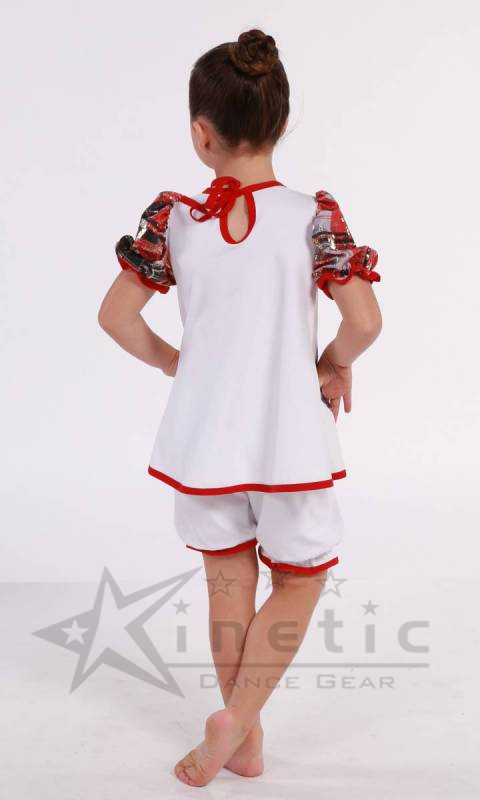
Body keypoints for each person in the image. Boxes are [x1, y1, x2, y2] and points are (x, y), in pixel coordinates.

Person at [98, 28, 382, 787]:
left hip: (204, 444)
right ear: (281, 122)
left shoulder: (175, 221)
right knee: (301, 577)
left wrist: (178, 363)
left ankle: (244, 738)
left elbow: (116, 317)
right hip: (290, 444)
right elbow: (364, 321)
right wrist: (332, 365)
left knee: (227, 581)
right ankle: (239, 723)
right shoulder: (312, 216)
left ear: (202, 133)